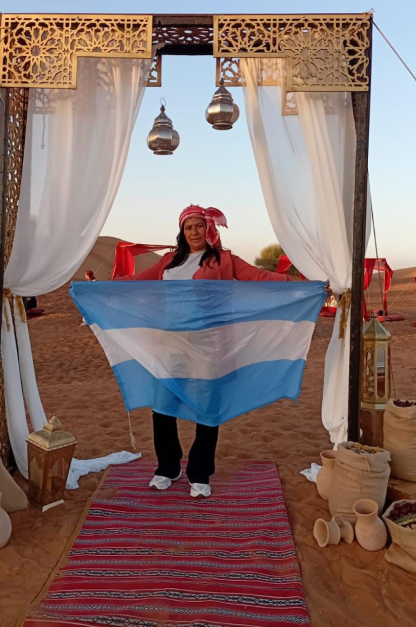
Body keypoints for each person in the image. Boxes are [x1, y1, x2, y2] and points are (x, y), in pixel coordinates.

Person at [118, 204, 301, 499]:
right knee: (162, 408)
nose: (194, 232)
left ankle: (200, 473)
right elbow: (135, 283)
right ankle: (168, 467)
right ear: (182, 231)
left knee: (206, 409)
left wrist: (303, 285)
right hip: (171, 344)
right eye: (188, 227)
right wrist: (98, 287)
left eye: (199, 226)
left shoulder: (225, 260)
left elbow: (260, 277)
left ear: (209, 229)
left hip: (208, 344)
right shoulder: (168, 261)